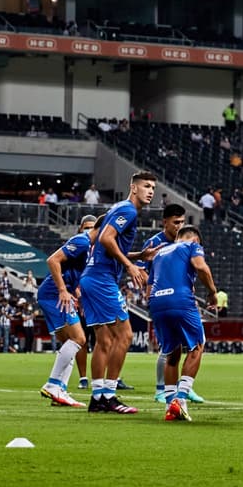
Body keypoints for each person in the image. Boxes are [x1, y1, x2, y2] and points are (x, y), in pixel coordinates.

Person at [80, 171, 156, 414]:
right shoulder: (128, 211)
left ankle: (97, 397)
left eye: (153, 187)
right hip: (102, 279)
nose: (151, 191)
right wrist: (129, 264)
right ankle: (111, 396)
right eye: (146, 186)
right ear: (133, 188)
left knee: (104, 341)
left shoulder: (118, 208)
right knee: (125, 336)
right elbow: (106, 239)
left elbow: (107, 243)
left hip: (91, 277)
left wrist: (137, 256)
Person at [149, 226, 218, 422]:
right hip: (179, 300)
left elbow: (152, 281)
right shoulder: (191, 246)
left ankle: (171, 405)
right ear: (195, 239)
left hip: (156, 302)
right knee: (197, 345)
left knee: (171, 351)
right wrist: (212, 292)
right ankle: (181, 397)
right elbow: (201, 266)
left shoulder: (160, 252)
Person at [141, 205, 204, 405]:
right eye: (176, 222)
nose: (179, 226)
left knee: (176, 347)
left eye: (182, 222)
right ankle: (164, 389)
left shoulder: (183, 242)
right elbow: (143, 271)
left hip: (173, 295)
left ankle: (177, 391)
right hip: (165, 296)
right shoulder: (156, 243)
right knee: (171, 348)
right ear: (165, 222)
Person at [37, 215, 99, 407]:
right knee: (79, 339)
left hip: (58, 294)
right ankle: (53, 384)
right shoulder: (82, 241)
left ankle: (60, 391)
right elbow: (52, 260)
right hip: (53, 294)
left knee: (70, 343)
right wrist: (63, 290)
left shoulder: (90, 249)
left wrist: (75, 292)